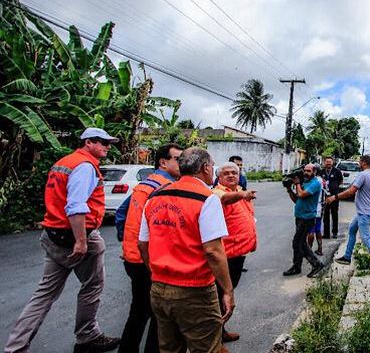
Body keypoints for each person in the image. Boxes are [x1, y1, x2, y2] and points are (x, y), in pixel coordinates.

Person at [5, 128, 121, 353]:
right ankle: (87, 335)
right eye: (103, 142)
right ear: (88, 142)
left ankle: (15, 347)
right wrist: (81, 241)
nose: (108, 146)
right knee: (93, 286)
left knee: (44, 293)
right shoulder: (85, 167)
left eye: (108, 143)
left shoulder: (65, 162)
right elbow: (76, 206)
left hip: (53, 234)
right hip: (77, 235)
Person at [137, 147, 233, 353]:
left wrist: (156, 273)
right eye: (212, 165)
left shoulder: (155, 196)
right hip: (194, 290)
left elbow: (143, 244)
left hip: (159, 289)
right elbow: (213, 251)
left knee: (169, 348)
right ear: (205, 167)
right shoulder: (207, 198)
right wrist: (227, 290)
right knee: (208, 348)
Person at [118, 143, 183, 353]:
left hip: (133, 258)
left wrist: (127, 244)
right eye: (177, 159)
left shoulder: (145, 184)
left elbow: (121, 214)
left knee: (138, 311)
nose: (181, 163)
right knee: (160, 317)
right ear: (163, 162)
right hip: (150, 260)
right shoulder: (165, 188)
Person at [212, 162, 257, 343]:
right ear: (219, 177)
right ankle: (215, 336)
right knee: (220, 295)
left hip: (238, 253)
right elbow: (223, 198)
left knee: (226, 294)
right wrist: (242, 195)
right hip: (226, 255)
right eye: (226, 173)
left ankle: (220, 331)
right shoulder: (217, 192)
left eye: (234, 173)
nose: (231, 175)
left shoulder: (239, 189)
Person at [330, 156, 370, 274]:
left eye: (359, 162)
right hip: (364, 210)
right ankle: (347, 256)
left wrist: (335, 197)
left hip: (364, 212)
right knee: (352, 229)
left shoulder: (363, 175)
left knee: (366, 238)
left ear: (363, 163)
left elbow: (351, 191)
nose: (358, 163)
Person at [284, 164, 325, 278]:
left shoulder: (315, 183)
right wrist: (289, 189)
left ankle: (316, 264)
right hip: (300, 217)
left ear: (314, 172)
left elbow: (301, 194)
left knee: (297, 242)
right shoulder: (304, 182)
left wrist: (297, 183)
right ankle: (298, 266)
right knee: (300, 243)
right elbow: (297, 200)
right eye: (305, 170)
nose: (306, 173)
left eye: (309, 171)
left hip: (307, 218)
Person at [320, 156, 343, 238]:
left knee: (334, 215)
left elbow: (341, 181)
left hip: (334, 196)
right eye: (327, 161)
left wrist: (335, 187)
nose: (328, 163)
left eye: (330, 161)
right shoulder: (321, 172)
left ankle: (335, 233)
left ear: (333, 162)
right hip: (324, 196)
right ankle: (326, 234)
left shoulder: (337, 171)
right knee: (325, 215)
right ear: (324, 162)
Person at [307, 173, 325, 256]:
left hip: (313, 206)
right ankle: (320, 248)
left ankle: (309, 250)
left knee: (311, 230)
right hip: (319, 207)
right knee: (318, 229)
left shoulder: (314, 181)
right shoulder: (322, 180)